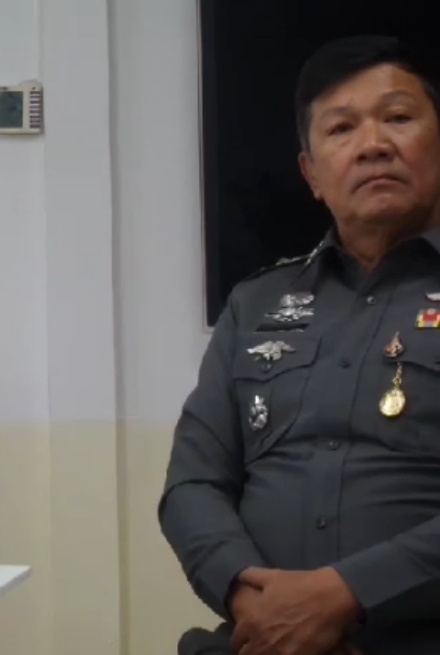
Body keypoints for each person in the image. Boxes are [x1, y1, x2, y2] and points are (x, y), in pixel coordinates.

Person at [162, 34, 440, 655]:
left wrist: (347, 594)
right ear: (312, 174)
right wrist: (254, 601)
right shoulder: (256, 305)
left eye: (398, 118)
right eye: (341, 129)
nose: (373, 145)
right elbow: (193, 484)